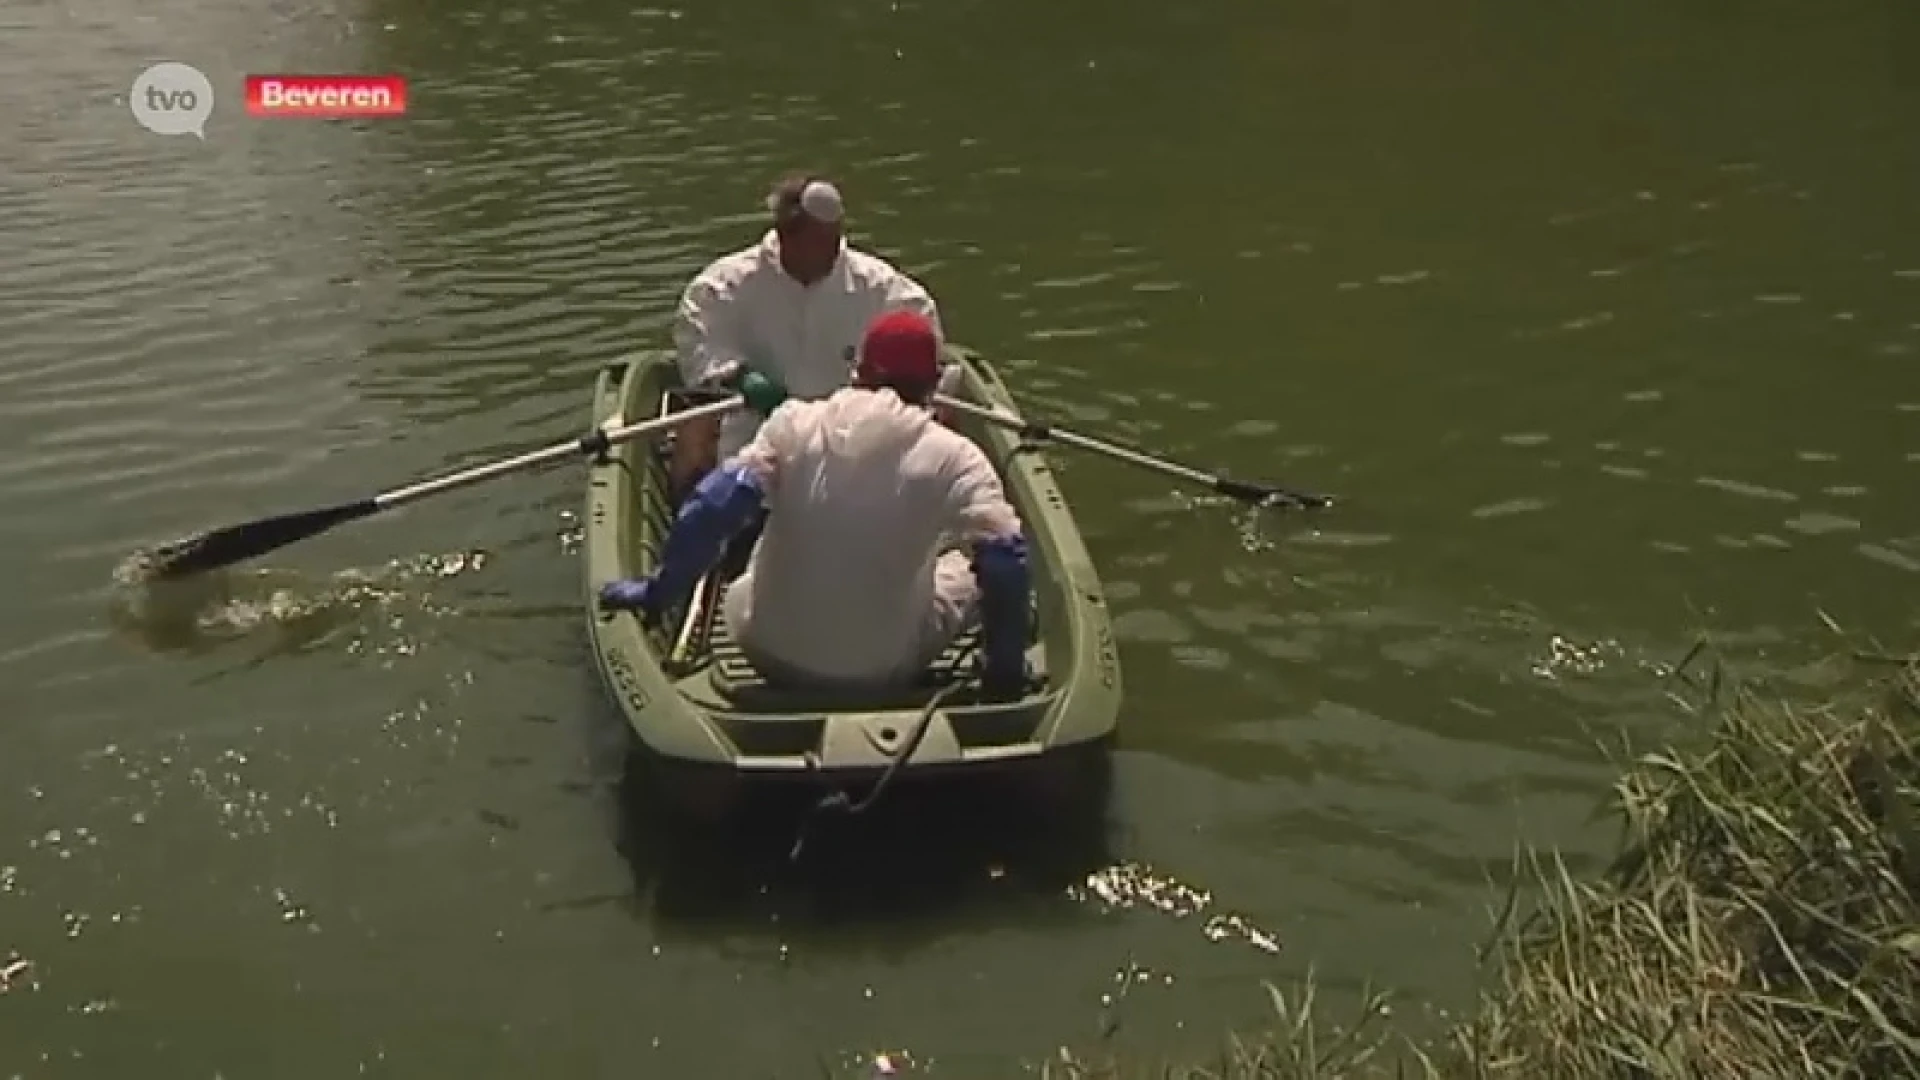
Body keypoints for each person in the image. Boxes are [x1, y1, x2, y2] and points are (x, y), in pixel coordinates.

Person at [600, 311, 1031, 698]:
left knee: (754, 565)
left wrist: (659, 592)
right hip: (878, 673)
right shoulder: (958, 458)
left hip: (764, 650)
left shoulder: (793, 422)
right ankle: (1003, 669)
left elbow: (714, 506)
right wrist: (1005, 675)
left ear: (858, 371)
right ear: (935, 385)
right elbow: (1006, 563)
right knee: (967, 569)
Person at [667, 171, 958, 498]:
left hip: (851, 454)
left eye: (835, 238)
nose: (832, 251)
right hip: (755, 448)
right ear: (785, 236)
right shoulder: (725, 286)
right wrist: (738, 375)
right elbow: (698, 341)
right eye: (818, 242)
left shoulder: (879, 287)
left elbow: (924, 334)